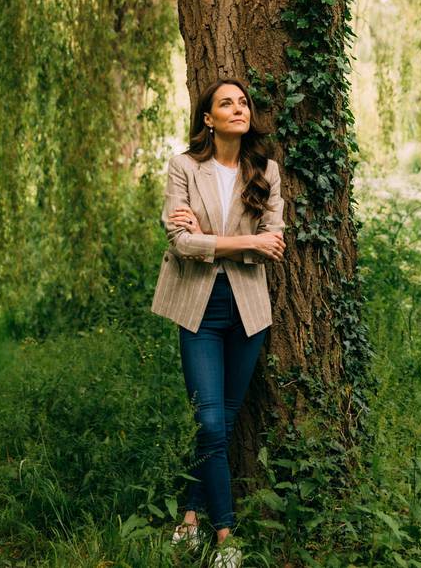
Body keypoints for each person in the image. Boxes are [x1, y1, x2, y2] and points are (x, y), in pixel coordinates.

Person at [150, 78, 285, 566]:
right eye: (226, 103)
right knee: (209, 418)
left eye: (243, 102)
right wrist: (243, 243)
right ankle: (227, 537)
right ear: (208, 118)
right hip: (199, 307)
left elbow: (274, 242)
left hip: (248, 310)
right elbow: (181, 243)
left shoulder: (265, 171)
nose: (238, 108)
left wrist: (214, 238)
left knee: (221, 424)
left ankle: (189, 515)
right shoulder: (185, 167)